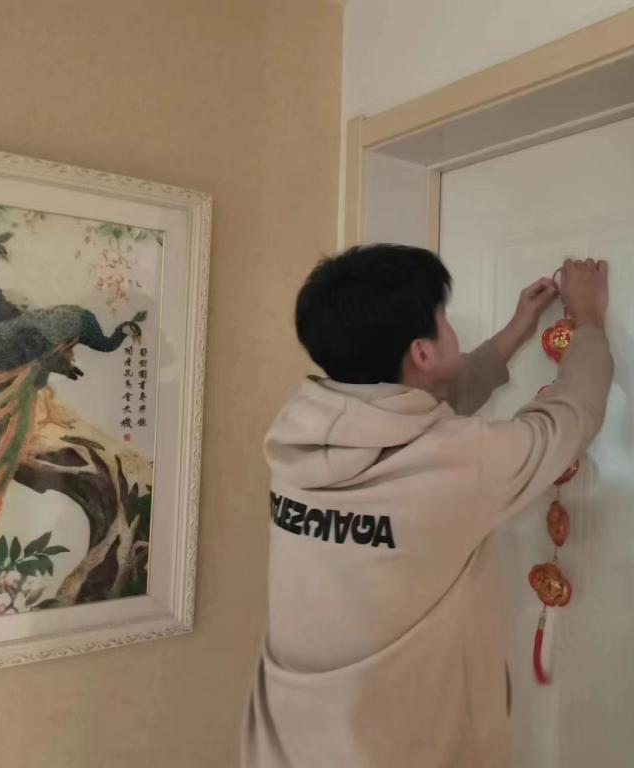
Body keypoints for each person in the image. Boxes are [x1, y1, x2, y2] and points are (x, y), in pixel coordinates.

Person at [242, 243, 613, 767]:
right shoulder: (459, 462)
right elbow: (568, 419)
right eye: (444, 318)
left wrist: (515, 333)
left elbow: (408, 418)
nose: (450, 325)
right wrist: (590, 320)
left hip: (286, 741)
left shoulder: (297, 431)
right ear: (421, 353)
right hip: (392, 748)